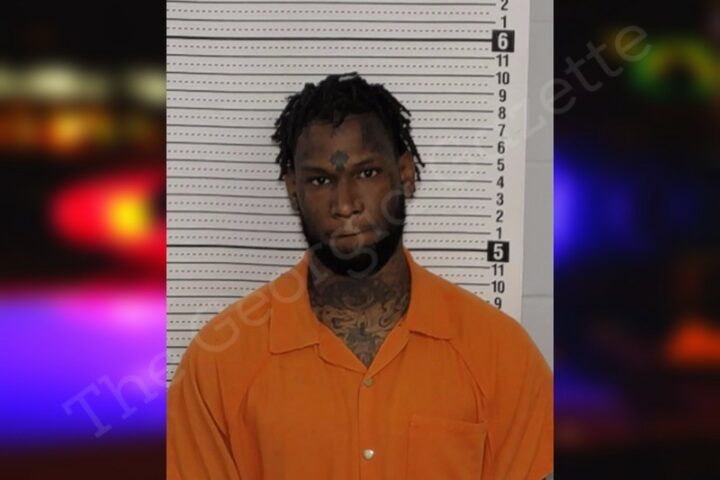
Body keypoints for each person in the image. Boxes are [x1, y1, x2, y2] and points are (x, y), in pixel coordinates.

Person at [167, 72, 553, 479]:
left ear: (405, 173)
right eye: (321, 180)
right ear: (294, 191)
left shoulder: (499, 354)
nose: (345, 204)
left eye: (367, 173)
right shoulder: (221, 362)